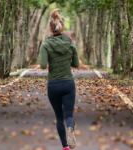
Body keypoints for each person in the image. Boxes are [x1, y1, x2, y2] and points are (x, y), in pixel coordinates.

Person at [40, 8, 79, 150]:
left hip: (53, 84)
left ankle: (65, 147)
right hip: (68, 83)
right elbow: (76, 64)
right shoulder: (70, 43)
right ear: (62, 28)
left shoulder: (45, 45)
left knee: (58, 117)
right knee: (68, 115)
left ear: (51, 29)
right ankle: (70, 128)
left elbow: (43, 65)